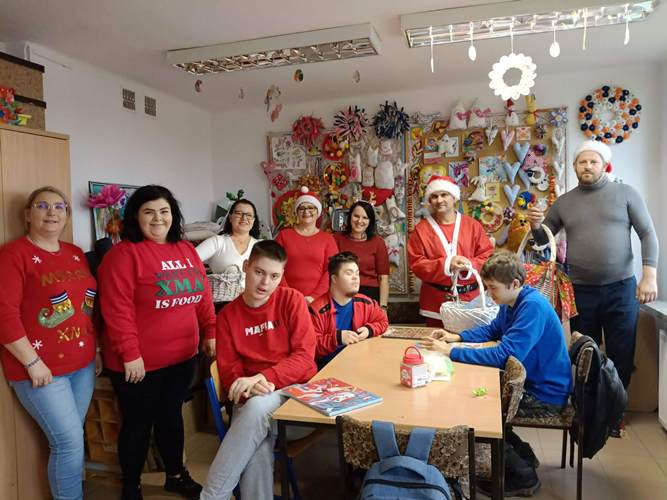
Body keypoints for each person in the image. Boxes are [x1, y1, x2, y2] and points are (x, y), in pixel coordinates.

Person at [527, 139, 658, 435]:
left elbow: (648, 233)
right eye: (582, 162)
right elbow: (543, 241)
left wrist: (649, 275)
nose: (587, 166)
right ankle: (588, 411)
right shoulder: (565, 202)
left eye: (593, 161)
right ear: (574, 166)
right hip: (580, 290)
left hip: (621, 289)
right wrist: (535, 226)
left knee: (622, 353)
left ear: (604, 165)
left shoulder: (625, 193)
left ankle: (614, 415)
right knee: (584, 352)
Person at [421, 251, 573, 497]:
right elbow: (493, 330)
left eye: (493, 288)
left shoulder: (532, 307)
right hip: (535, 384)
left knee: (480, 412)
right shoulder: (512, 302)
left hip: (546, 395)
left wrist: (452, 352)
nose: (489, 293)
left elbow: (503, 354)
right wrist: (456, 337)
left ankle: (523, 477)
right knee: (482, 403)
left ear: (514, 283)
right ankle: (524, 457)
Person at [98, 185, 216, 500]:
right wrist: (130, 353)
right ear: (135, 217)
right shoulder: (123, 255)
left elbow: (202, 295)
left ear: (173, 215)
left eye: (164, 211)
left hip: (182, 356)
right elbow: (117, 310)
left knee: (171, 417)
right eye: (148, 212)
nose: (157, 218)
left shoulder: (186, 249)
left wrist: (211, 331)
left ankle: (176, 475)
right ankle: (131, 486)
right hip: (138, 362)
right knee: (138, 424)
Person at [0, 186, 102, 500]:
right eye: (42, 206)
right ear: (27, 215)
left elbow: (86, 305)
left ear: (67, 215)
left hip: (82, 365)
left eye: (59, 206)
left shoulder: (74, 252)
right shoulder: (13, 255)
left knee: (72, 440)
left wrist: (96, 349)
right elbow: (4, 314)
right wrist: (32, 362)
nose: (51, 212)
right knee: (68, 443)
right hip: (41, 370)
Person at [200, 240, 317, 500]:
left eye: (274, 276)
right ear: (246, 266)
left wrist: (263, 377)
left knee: (255, 413)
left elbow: (305, 359)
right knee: (257, 446)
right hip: (251, 401)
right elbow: (230, 374)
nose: (265, 283)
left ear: (282, 276)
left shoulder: (292, 300)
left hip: (296, 403)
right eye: (259, 272)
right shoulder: (227, 316)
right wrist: (251, 387)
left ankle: (211, 496)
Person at [408, 175, 494, 326]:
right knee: (436, 340)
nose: (439, 200)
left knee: (471, 340)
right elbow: (417, 264)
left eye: (444, 194)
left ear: (454, 197)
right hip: (435, 304)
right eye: (434, 196)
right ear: (429, 200)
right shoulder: (421, 230)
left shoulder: (473, 226)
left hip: (472, 302)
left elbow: (488, 257)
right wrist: (447, 264)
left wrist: (469, 265)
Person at [309, 252, 389, 366]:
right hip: (327, 368)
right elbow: (310, 347)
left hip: (360, 363)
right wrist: (337, 338)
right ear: (334, 279)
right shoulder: (316, 310)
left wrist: (369, 330)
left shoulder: (366, 303)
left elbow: (383, 321)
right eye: (349, 273)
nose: (356, 278)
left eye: (357, 273)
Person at [275, 186, 338, 304]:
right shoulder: (284, 236)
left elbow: (331, 270)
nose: (306, 211)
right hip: (287, 299)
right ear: (296, 212)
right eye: (302, 208)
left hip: (319, 301)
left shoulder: (328, 239)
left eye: (311, 207)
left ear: (318, 211)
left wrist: (314, 297)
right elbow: (275, 267)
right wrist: (290, 295)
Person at [333, 201, 390, 308]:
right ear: (349, 217)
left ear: (370, 221)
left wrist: (383, 307)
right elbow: (330, 272)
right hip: (342, 292)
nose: (360, 221)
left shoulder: (378, 242)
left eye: (365, 218)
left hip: (370, 295)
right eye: (356, 216)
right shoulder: (337, 238)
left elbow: (383, 277)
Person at [196, 198, 260, 281]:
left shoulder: (260, 246)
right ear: (230, 217)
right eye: (239, 213)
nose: (244, 218)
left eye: (249, 215)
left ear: (253, 220)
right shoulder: (217, 242)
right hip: (221, 289)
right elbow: (188, 261)